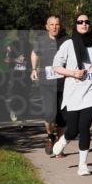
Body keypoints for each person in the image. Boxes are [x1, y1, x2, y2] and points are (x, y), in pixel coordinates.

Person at [51, 13, 92, 175]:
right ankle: (65, 139)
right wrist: (72, 73)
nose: (84, 24)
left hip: (90, 90)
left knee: (84, 127)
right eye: (80, 22)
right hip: (73, 91)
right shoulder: (68, 44)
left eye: (87, 22)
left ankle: (83, 165)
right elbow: (56, 66)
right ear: (75, 24)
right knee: (73, 129)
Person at [31, 15, 66, 154]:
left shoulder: (66, 40)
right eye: (51, 24)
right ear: (47, 27)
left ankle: (60, 146)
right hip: (46, 83)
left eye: (57, 24)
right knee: (49, 114)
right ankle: (50, 136)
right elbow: (34, 53)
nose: (54, 27)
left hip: (64, 83)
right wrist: (34, 69)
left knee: (62, 117)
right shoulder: (41, 41)